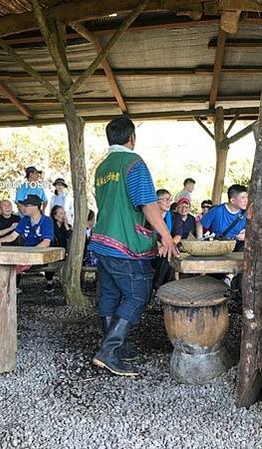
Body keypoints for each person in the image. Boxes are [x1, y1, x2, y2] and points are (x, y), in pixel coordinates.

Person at [89, 116, 177, 377]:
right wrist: (166, 236)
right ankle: (109, 351)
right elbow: (148, 204)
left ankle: (116, 345)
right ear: (132, 138)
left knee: (110, 294)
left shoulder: (103, 167)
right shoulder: (133, 163)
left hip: (102, 241)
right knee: (138, 294)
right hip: (126, 243)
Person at [197, 184, 248, 252]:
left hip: (237, 248)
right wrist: (199, 241)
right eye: (242, 198)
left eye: (247, 197)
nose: (246, 200)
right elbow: (200, 224)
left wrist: (246, 236)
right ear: (232, 200)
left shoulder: (246, 213)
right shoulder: (217, 210)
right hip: (218, 247)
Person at [44, 205, 71, 293]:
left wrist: (66, 226)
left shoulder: (67, 226)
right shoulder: (50, 225)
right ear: (55, 215)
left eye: (64, 213)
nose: (63, 216)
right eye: (61, 213)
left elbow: (70, 238)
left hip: (64, 252)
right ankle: (49, 282)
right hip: (52, 251)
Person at [152, 189, 175, 290]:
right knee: (166, 255)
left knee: (170, 254)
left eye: (170, 199)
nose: (169, 202)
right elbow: (149, 234)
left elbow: (176, 236)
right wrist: (159, 245)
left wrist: (165, 246)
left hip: (163, 248)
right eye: (166, 199)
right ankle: (158, 286)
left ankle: (165, 286)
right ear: (157, 201)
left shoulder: (172, 216)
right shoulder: (149, 215)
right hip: (148, 248)